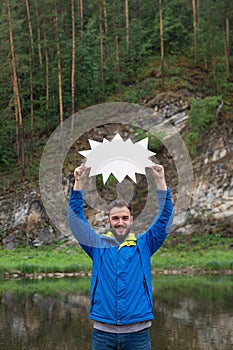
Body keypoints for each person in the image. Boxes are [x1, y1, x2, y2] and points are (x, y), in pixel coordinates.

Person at [67, 162, 174, 350]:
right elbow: (76, 221)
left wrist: (160, 180)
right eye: (115, 218)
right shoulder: (97, 245)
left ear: (131, 220)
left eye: (125, 218)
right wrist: (78, 183)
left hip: (138, 333)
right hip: (103, 332)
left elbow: (165, 218)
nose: (120, 222)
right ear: (108, 221)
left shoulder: (145, 244)